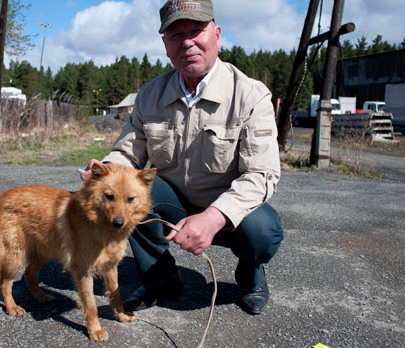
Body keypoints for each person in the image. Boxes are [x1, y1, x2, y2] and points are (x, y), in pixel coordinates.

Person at [81, 0, 283, 315]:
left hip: (227, 205)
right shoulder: (150, 94)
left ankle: (250, 276)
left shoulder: (250, 95)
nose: (187, 42)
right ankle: (160, 279)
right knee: (131, 195)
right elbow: (128, 153)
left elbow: (261, 175)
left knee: (263, 230)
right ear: (165, 45)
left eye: (196, 31)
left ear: (216, 34)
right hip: (172, 200)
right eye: (176, 35)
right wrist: (104, 171)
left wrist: (214, 217)